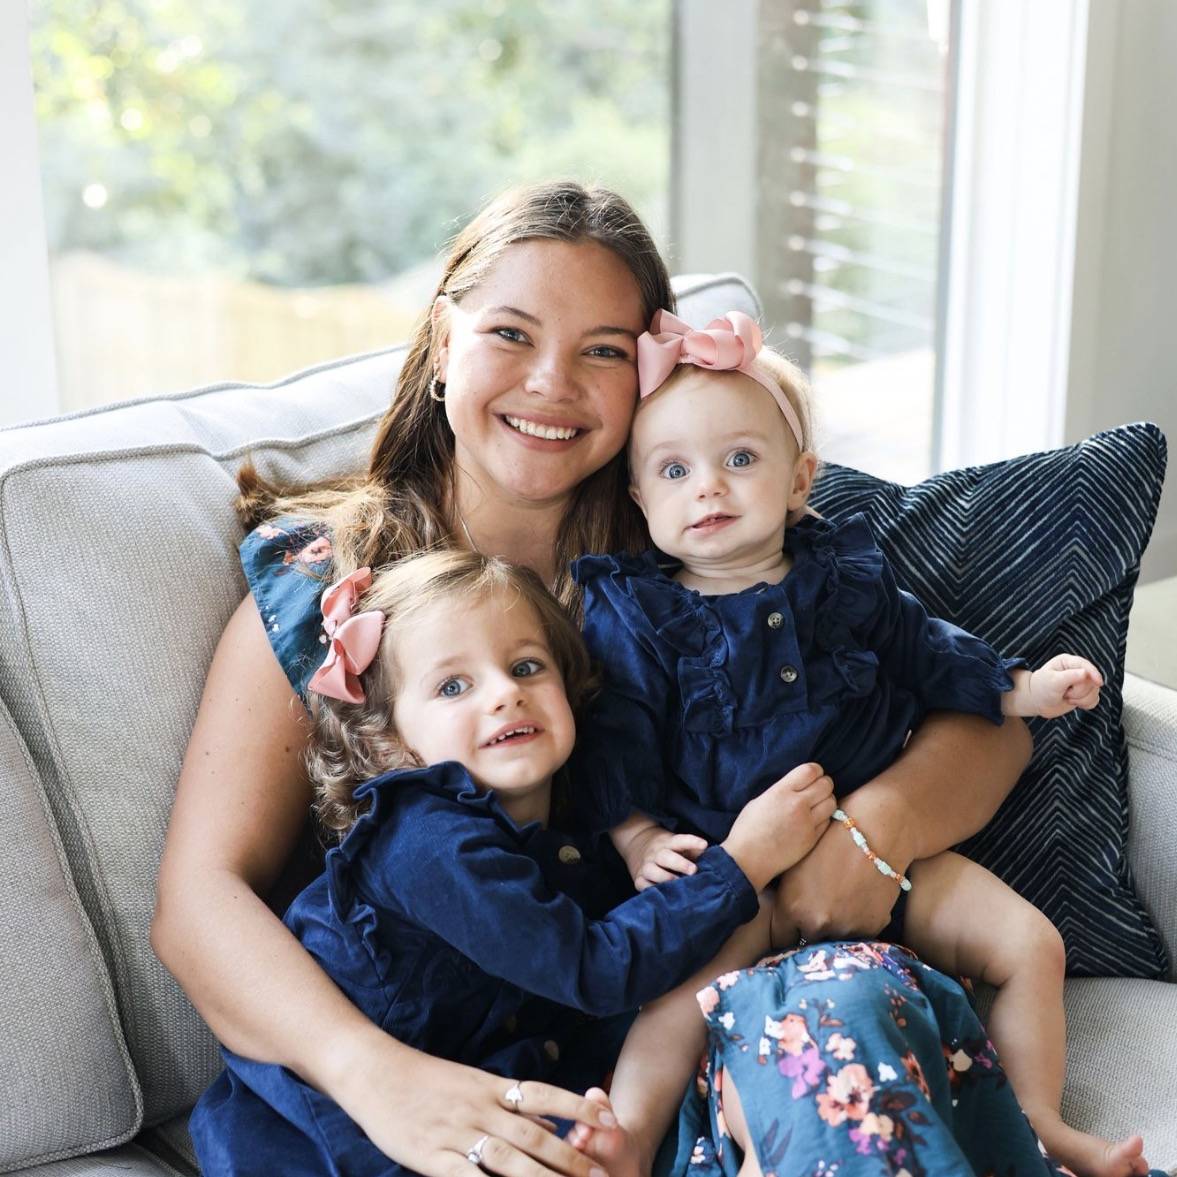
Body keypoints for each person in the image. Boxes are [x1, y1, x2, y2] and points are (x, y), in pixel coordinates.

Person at [151, 180, 1036, 1177]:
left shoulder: (713, 534)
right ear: (444, 342)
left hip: (685, 1027)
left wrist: (871, 836)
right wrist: (372, 1072)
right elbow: (197, 900)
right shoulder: (338, 592)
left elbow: (992, 720)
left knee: (842, 1003)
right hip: (425, 1086)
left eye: (603, 351)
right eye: (511, 334)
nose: (551, 384)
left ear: (647, 377)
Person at [566, 310, 1150, 1177]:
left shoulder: (843, 574)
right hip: (734, 871)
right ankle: (629, 1136)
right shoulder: (637, 616)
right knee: (679, 995)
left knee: (1031, 943)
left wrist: (1019, 688)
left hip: (888, 856)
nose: (708, 488)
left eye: (739, 459)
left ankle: (1033, 1120)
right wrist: (638, 836)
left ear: (799, 478)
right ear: (641, 498)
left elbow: (926, 650)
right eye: (674, 470)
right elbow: (613, 744)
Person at [190, 550, 833, 1175]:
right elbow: (592, 968)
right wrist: (742, 863)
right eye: (452, 686)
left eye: (526, 667)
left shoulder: (577, 813)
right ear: (387, 741)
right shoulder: (426, 841)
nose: (504, 695)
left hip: (492, 1085)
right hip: (324, 1137)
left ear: (570, 687)